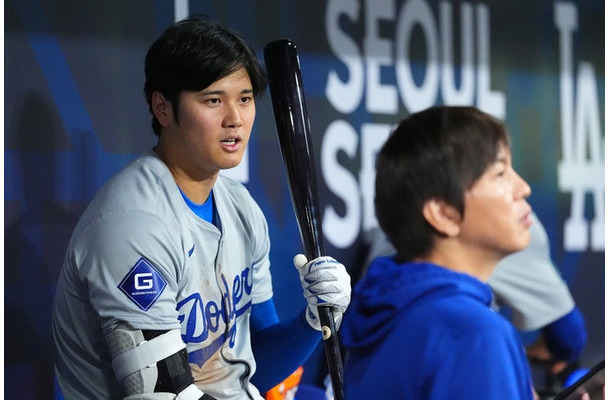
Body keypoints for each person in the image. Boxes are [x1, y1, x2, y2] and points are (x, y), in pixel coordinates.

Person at [51, 15, 351, 400]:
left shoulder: (241, 208)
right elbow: (163, 393)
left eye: (244, 99)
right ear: (163, 108)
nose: (235, 119)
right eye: (213, 100)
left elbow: (254, 368)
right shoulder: (133, 223)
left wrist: (313, 321)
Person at [341, 105, 536, 399]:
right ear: (444, 213)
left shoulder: (387, 313)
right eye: (499, 173)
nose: (523, 187)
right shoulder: (475, 335)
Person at [362, 213, 587, 385]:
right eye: (499, 173)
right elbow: (569, 337)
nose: (521, 188)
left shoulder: (395, 230)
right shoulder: (504, 226)